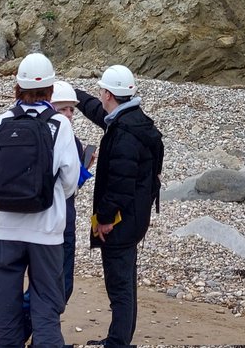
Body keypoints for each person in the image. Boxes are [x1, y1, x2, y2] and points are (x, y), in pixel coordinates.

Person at [0, 53, 80, 348]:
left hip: (7, 228)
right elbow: (69, 179)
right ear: (51, 89)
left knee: (5, 307)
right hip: (47, 231)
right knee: (46, 305)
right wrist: (48, 199)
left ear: (18, 86)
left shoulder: (3, 120)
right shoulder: (58, 124)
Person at [75, 65, 164, 348]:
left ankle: (118, 342)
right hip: (135, 217)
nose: (99, 94)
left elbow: (119, 185)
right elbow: (98, 112)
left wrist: (104, 219)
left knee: (120, 285)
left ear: (109, 94)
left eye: (102, 90)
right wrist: (73, 96)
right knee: (124, 281)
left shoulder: (124, 134)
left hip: (123, 221)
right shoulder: (131, 120)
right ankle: (119, 338)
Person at [20, 80, 94, 342]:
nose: (70, 115)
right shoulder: (66, 138)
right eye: (64, 109)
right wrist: (84, 169)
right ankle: (32, 336)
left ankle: (22, 335)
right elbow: (68, 187)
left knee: (49, 286)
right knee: (57, 288)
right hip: (59, 225)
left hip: (33, 223)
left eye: (72, 110)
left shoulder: (28, 131)